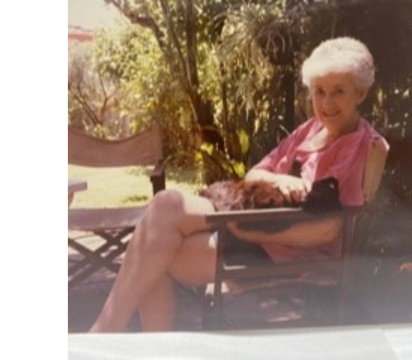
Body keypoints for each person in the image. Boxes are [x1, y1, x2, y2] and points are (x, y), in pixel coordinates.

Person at [90, 36, 383, 332]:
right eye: (319, 91)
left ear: (360, 92)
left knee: (152, 254)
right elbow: (257, 175)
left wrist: (245, 228)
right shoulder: (311, 130)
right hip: (258, 229)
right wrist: (282, 180)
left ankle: (107, 337)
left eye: (338, 91)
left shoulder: (359, 144)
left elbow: (329, 230)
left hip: (287, 250)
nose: (326, 103)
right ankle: (114, 336)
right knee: (161, 217)